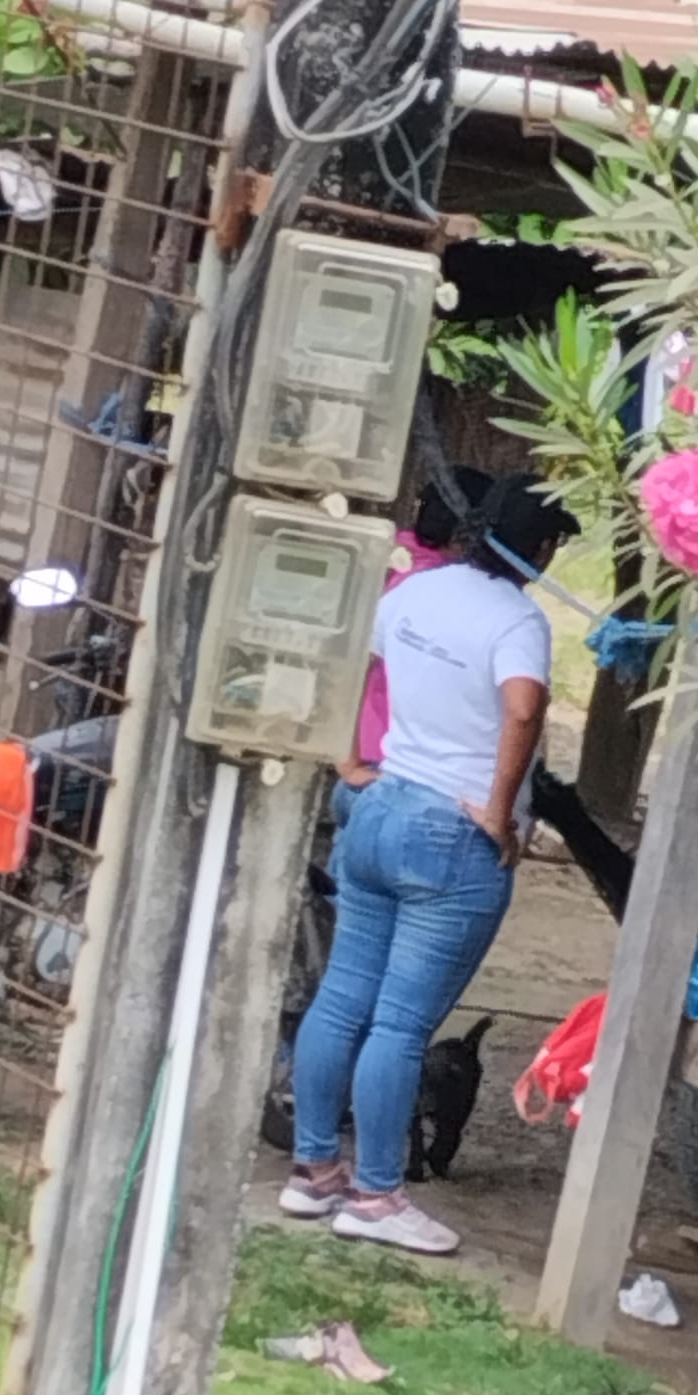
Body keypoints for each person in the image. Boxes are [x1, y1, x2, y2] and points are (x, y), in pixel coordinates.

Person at [281, 474, 581, 1255]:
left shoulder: (419, 589)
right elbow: (523, 708)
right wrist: (499, 810)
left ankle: (313, 1169)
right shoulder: (518, 619)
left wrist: (346, 759)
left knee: (343, 998)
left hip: (381, 807)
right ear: (542, 548)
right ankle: (377, 1194)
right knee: (402, 1024)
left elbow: (346, 658)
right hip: (452, 833)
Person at [332, 465, 492, 812]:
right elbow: (359, 658)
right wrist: (349, 762)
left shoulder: (394, 554)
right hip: (392, 757)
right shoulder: (431, 585)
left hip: (370, 746)